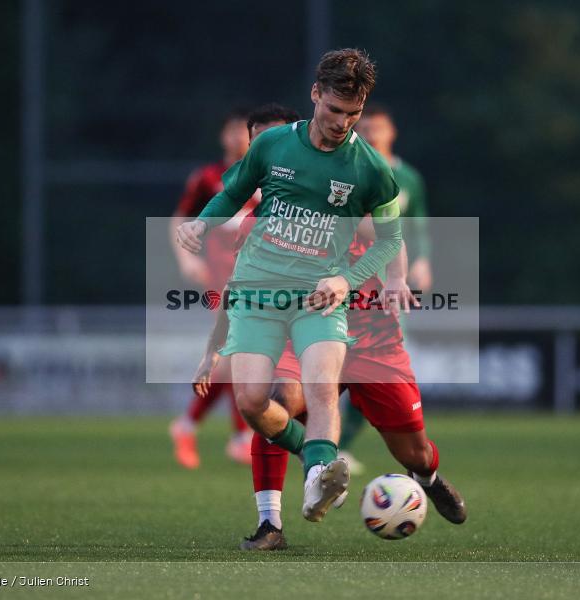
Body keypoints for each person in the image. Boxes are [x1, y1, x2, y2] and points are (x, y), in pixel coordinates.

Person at [194, 106, 466, 551]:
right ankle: (272, 523)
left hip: (374, 334)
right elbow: (240, 285)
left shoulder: (349, 185)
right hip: (305, 324)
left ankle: (429, 478)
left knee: (412, 450)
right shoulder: (259, 223)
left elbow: (387, 234)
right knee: (275, 401)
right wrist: (216, 347)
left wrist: (397, 279)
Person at [176, 49, 402, 523]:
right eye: (335, 110)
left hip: (320, 298)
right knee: (253, 403)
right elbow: (233, 193)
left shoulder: (371, 169)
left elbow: (390, 241)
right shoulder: (273, 144)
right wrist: (202, 224)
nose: (343, 123)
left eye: (353, 114)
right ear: (316, 94)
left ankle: (320, 476)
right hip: (262, 295)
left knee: (320, 388)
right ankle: (313, 458)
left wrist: (346, 278)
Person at [338, 104, 435, 474]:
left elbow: (418, 224)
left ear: (391, 131)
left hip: (392, 280)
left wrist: (421, 262)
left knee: (378, 371)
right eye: (365, 127)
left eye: (378, 127)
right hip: (351, 281)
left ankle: (341, 444)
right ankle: (329, 445)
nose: (372, 133)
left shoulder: (408, 177)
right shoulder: (349, 171)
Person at [168, 108, 254, 469]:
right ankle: (240, 436)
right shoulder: (208, 178)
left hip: (257, 280)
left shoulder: (266, 176)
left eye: (244, 132)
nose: (238, 138)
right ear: (223, 137)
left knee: (232, 357)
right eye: (232, 131)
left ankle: (188, 425)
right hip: (222, 279)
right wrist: (187, 260)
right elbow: (179, 219)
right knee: (235, 351)